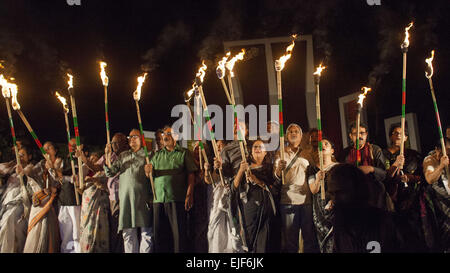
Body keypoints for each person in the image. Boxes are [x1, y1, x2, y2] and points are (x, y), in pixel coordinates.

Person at [383, 124, 438, 252]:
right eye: (395, 133)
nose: (398, 135)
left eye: (402, 133)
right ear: (391, 136)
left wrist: (410, 178)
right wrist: (395, 165)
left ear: (406, 138)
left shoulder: (414, 155)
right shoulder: (384, 154)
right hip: (391, 199)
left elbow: (423, 177)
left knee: (414, 233)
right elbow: (384, 176)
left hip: (411, 199)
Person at [145, 126, 197, 253]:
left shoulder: (184, 153)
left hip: (176, 199)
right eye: (164, 134)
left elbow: (191, 174)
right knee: (160, 236)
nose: (165, 136)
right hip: (158, 200)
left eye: (169, 133)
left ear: (177, 137)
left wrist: (189, 194)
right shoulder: (156, 155)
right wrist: (147, 172)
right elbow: (150, 175)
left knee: (178, 235)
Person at [327, 164, 400, 253]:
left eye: (341, 192)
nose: (335, 199)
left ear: (356, 189)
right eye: (332, 194)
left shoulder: (382, 222)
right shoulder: (340, 224)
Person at [104, 129, 153, 253]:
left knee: (146, 233)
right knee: (128, 233)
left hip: (143, 199)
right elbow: (110, 172)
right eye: (129, 137)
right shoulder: (123, 155)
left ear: (142, 138)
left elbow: (154, 176)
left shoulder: (149, 155)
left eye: (134, 136)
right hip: (126, 200)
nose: (131, 139)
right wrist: (108, 156)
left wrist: (150, 172)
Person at [78, 132, 128, 252]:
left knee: (120, 229)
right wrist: (83, 158)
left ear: (123, 143)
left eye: (116, 142)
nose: (113, 145)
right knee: (113, 228)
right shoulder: (108, 156)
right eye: (112, 142)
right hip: (111, 197)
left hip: (122, 195)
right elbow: (95, 167)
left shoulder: (126, 156)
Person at [273, 123, 319, 253]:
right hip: (288, 201)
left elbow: (314, 173)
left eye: (296, 131)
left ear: (301, 136)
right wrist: (278, 170)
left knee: (309, 239)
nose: (293, 133)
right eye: (290, 132)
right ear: (287, 136)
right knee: (290, 241)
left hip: (306, 201)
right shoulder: (280, 152)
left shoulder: (307, 153)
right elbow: (276, 177)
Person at [213, 121, 251, 252]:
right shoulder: (227, 149)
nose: (237, 128)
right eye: (235, 127)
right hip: (235, 192)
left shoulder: (253, 146)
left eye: (241, 127)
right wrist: (219, 167)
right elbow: (224, 174)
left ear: (246, 131)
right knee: (236, 228)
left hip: (253, 192)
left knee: (252, 226)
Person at [233, 139, 276, 253]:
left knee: (263, 243)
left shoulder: (270, 168)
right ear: (251, 151)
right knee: (249, 241)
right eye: (255, 147)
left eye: (260, 147)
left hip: (265, 211)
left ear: (265, 152)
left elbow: (274, 188)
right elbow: (235, 186)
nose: (257, 149)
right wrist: (241, 171)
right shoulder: (244, 166)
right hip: (249, 209)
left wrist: (257, 181)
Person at [337, 123, 390, 211]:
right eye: (355, 134)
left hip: (374, 194)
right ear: (350, 136)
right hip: (353, 195)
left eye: (362, 133)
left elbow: (384, 174)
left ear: (366, 134)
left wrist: (371, 169)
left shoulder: (375, 150)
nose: (359, 136)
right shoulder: (345, 153)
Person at [23, 144, 61, 253]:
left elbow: (60, 181)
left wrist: (52, 170)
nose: (46, 150)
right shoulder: (39, 165)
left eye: (49, 148)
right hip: (40, 203)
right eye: (44, 149)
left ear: (56, 150)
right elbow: (30, 180)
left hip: (54, 203)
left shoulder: (60, 163)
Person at [75, 149, 110, 253]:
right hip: (87, 206)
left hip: (100, 206)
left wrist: (92, 179)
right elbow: (80, 186)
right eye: (91, 158)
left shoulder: (103, 171)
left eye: (96, 158)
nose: (93, 160)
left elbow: (102, 179)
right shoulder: (85, 170)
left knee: (100, 229)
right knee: (87, 229)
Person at [306, 138, 338, 253]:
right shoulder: (312, 169)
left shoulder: (338, 167)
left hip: (335, 208)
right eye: (320, 145)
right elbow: (313, 190)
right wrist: (318, 178)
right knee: (323, 242)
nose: (322, 145)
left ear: (332, 150)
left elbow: (342, 190)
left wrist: (334, 201)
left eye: (326, 144)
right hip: (319, 211)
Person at [0, 145, 33, 252]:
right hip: (8, 199)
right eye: (18, 155)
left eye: (23, 155)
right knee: (5, 223)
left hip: (21, 200)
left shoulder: (31, 167)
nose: (20, 157)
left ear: (29, 156)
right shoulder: (11, 165)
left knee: (11, 222)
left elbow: (25, 175)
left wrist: (21, 172)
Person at [204, 140, 236, 253]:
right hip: (217, 198)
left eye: (220, 145)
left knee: (230, 228)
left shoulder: (231, 159)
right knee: (215, 227)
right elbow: (209, 179)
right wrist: (207, 170)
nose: (218, 147)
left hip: (229, 197)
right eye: (216, 145)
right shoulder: (215, 161)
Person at [423, 137, 450, 252]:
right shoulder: (430, 159)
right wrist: (441, 166)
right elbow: (429, 178)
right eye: (445, 152)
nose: (447, 155)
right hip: (437, 203)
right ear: (437, 150)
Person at [57, 139, 82, 253]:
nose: (72, 147)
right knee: (65, 232)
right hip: (63, 201)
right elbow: (58, 177)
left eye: (75, 145)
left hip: (75, 200)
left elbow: (80, 177)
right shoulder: (62, 160)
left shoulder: (81, 160)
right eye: (70, 145)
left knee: (76, 233)